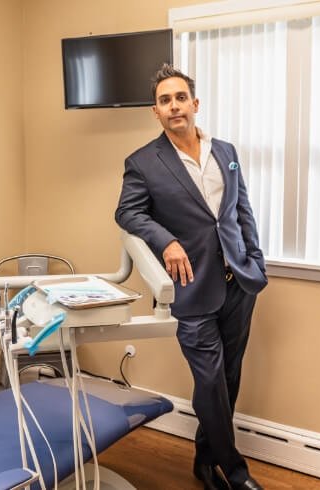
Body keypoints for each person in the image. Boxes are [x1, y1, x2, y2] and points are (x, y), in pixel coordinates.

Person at [115, 64, 268, 490]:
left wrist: (255, 258)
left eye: (180, 97)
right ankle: (235, 473)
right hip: (191, 288)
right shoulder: (144, 162)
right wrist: (166, 241)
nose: (174, 106)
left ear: (194, 104)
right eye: (165, 100)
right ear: (156, 112)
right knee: (209, 382)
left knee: (229, 379)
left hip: (239, 282)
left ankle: (204, 461)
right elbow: (127, 212)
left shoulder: (226, 151)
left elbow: (240, 211)